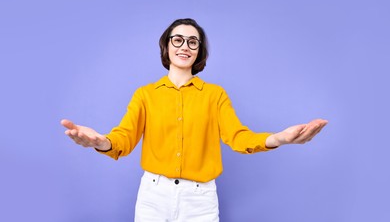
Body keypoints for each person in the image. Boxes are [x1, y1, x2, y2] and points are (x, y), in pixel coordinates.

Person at [61, 18, 328, 221]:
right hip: (154, 196)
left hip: (200, 200)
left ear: (199, 52)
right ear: (167, 46)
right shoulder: (145, 95)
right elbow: (124, 139)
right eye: (177, 39)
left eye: (192, 41)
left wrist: (279, 138)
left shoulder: (215, 95)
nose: (184, 46)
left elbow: (238, 137)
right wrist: (100, 142)